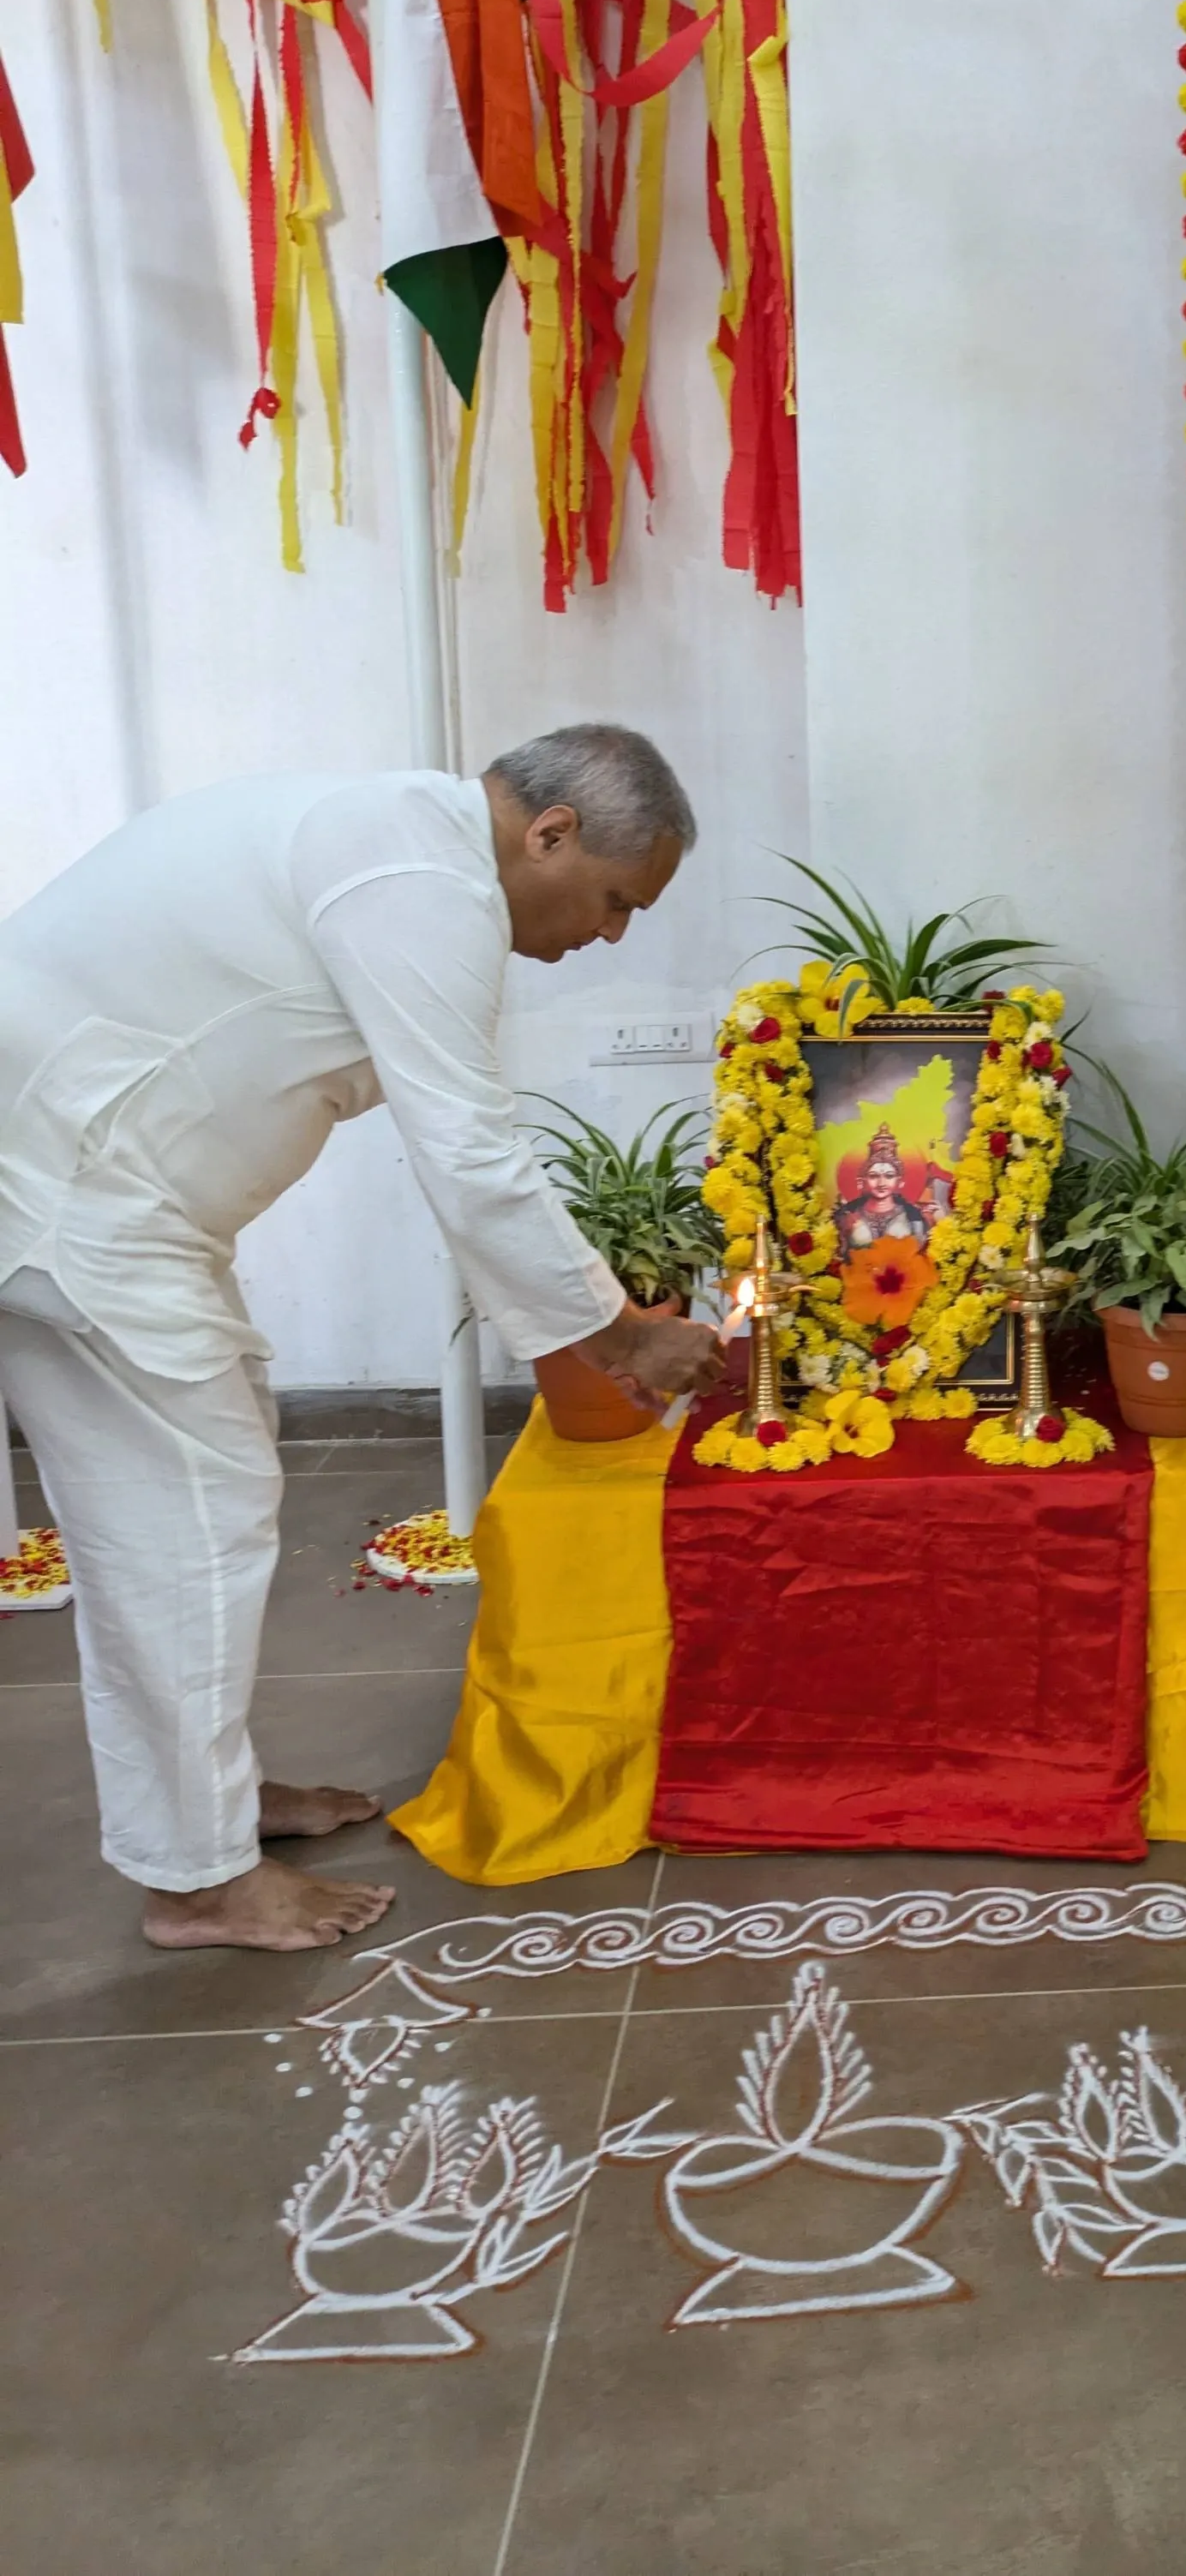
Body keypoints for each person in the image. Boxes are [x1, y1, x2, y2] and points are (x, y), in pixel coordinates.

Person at [0, 725, 725, 1956]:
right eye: (613, 900)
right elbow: (469, 1148)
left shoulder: (396, 842)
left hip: (92, 1194)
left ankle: (205, 1823)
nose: (610, 935)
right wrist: (620, 1335)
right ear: (547, 833)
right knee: (188, 1524)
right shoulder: (421, 878)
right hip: (77, 1201)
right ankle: (199, 1881)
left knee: (171, 1524)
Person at [834, 1125, 932, 1250]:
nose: (881, 1183)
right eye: (874, 1176)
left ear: (900, 1181)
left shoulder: (914, 1216)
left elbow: (921, 1254)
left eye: (889, 1176)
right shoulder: (848, 1214)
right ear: (862, 1181)